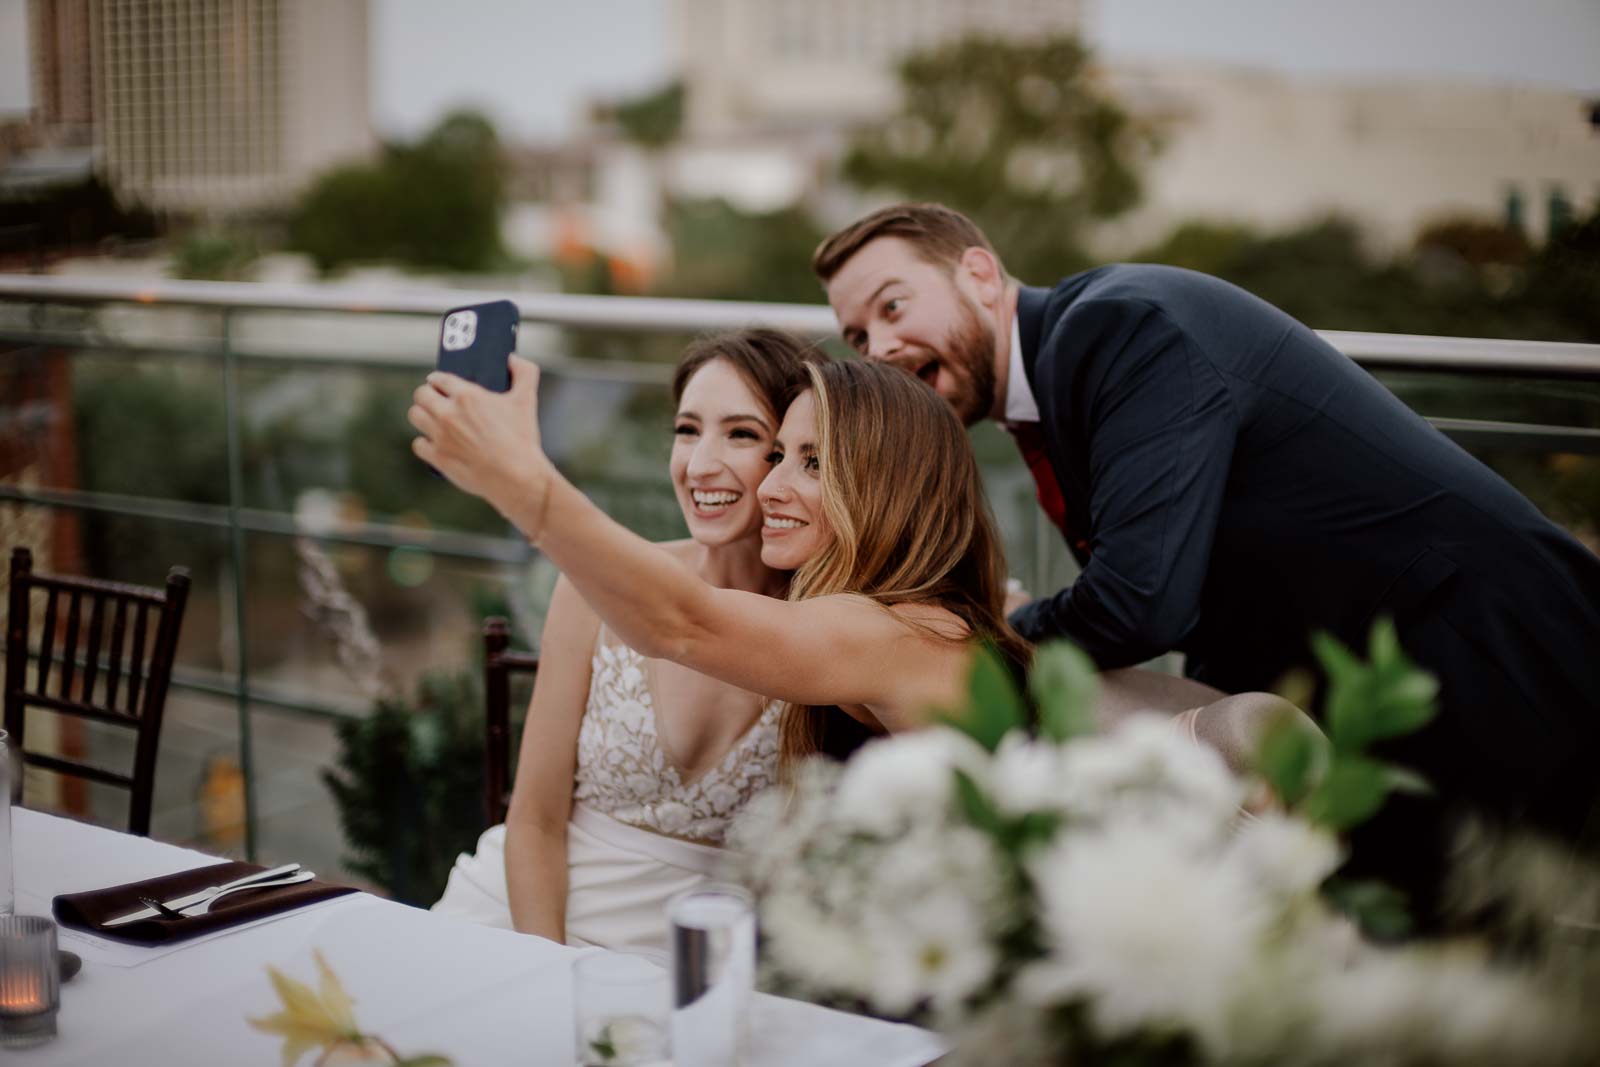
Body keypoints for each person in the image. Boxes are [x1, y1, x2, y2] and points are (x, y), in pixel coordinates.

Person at [811, 201, 1600, 858]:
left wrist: (994, 633)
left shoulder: (1118, 327)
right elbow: (1209, 586)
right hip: (1377, 683)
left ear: (979, 273)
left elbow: (1140, 601)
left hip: (1486, 648)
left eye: (892, 306)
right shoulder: (1061, 376)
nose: (879, 349)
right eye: (855, 336)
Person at [412, 347, 1306, 798]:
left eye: (811, 462)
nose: (771, 486)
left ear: (886, 483)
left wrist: (521, 483)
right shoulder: (924, 613)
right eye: (783, 455)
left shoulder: (888, 631)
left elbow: (683, 624)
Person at [430, 329, 827, 954]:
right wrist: (546, 968)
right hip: (528, 922)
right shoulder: (596, 584)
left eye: (742, 434)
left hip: (703, 957)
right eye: (687, 430)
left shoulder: (831, 627)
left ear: (794, 452)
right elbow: (533, 820)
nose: (700, 465)